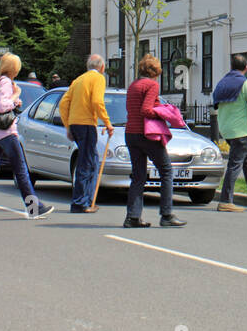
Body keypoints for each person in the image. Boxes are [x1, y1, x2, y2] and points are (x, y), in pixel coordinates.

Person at [0, 52, 54, 221]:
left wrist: (14, 101)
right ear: (14, 68)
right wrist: (15, 98)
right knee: (21, 170)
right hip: (6, 132)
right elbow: (2, 106)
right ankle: (34, 208)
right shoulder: (6, 82)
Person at [123, 55, 185, 228]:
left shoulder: (133, 85)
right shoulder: (152, 85)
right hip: (146, 134)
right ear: (155, 71)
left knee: (138, 176)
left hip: (131, 133)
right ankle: (166, 214)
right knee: (166, 171)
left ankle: (132, 217)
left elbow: (133, 109)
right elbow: (146, 110)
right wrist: (162, 112)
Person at [212, 54, 247, 213]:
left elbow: (216, 105)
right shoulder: (245, 83)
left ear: (232, 67)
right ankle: (225, 201)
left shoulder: (222, 83)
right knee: (234, 164)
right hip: (239, 131)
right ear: (246, 68)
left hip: (226, 129)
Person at [59, 54, 113, 213]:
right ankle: (80, 202)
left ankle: (88, 199)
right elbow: (97, 101)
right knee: (87, 162)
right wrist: (107, 122)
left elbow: (63, 103)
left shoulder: (79, 80)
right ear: (102, 67)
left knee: (92, 160)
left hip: (76, 123)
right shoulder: (98, 79)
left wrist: (68, 125)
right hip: (87, 123)